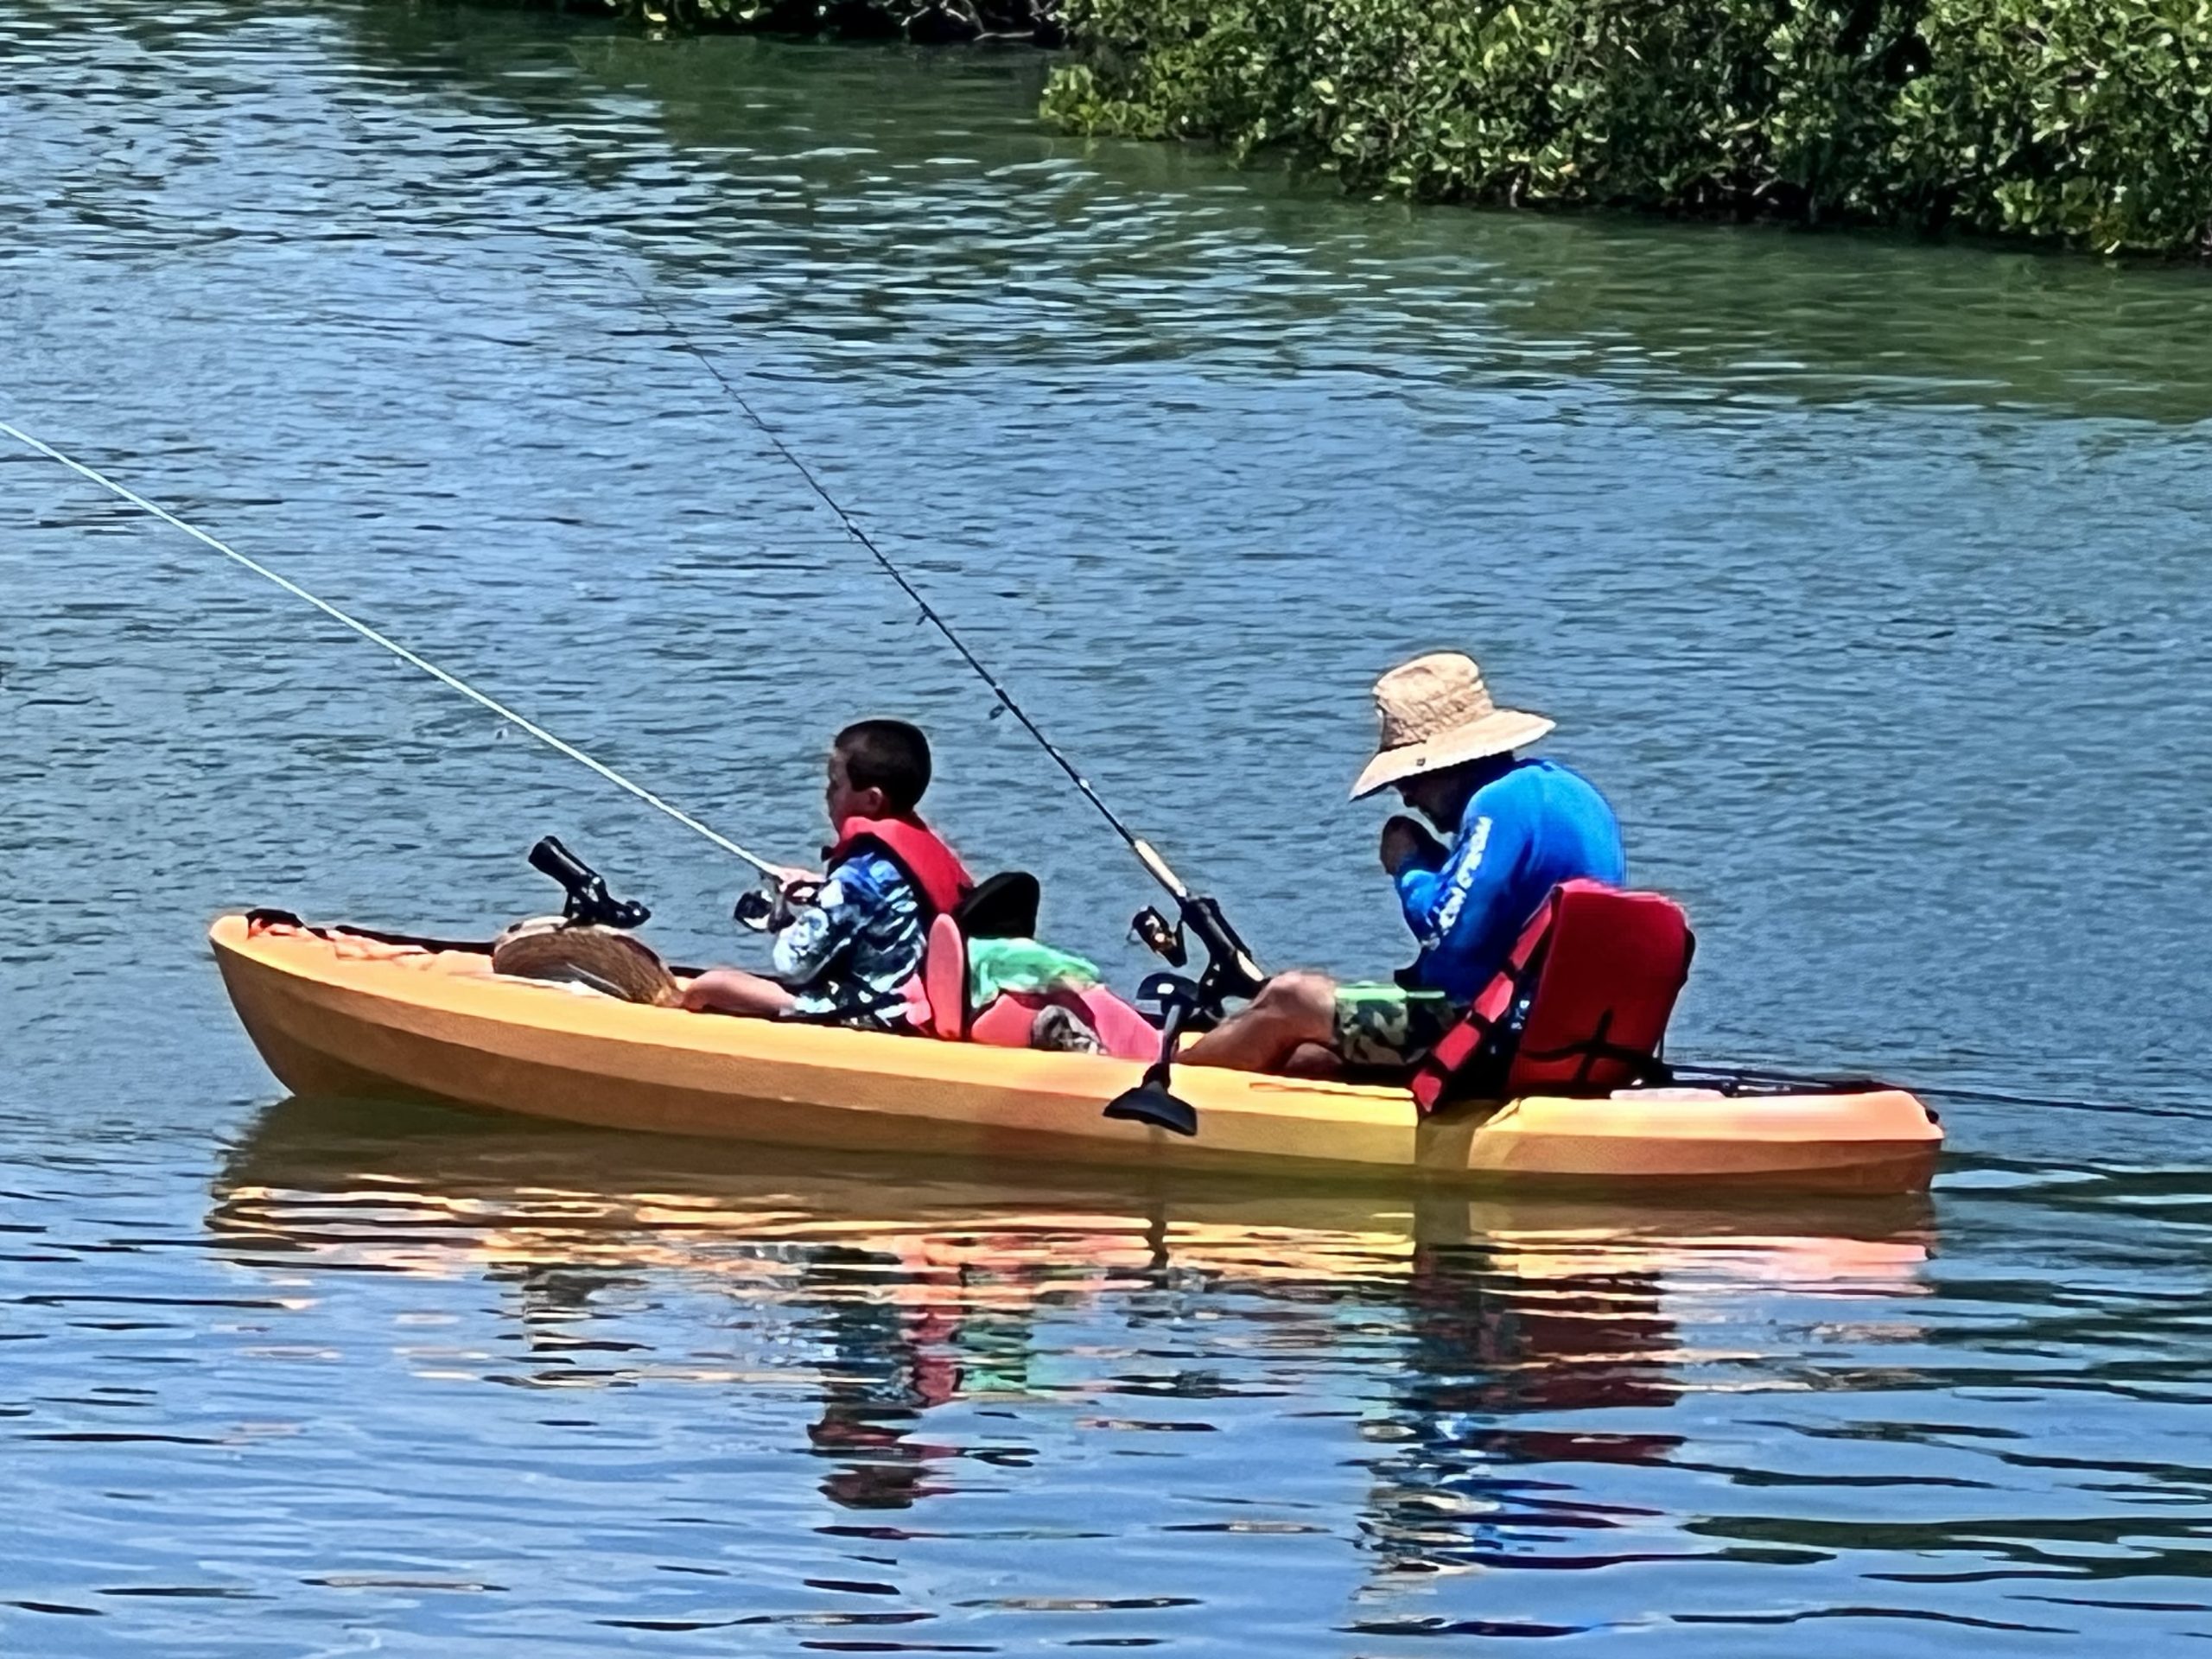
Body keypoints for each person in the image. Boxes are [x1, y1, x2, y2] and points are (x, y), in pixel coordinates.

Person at [1182, 651, 1624, 1075]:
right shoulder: (1568, 791)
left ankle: (1160, 1091)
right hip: (1561, 1030)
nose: (1408, 798)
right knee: (1308, 1055)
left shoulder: (1498, 803)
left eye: (1410, 780)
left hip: (1491, 1036)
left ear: (1453, 761)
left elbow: (1445, 931)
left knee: (1290, 997)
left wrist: (1408, 864)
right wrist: (1436, 860)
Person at [681, 719, 973, 1025]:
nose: (827, 794)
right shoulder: (914, 848)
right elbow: (884, 904)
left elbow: (793, 964)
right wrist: (823, 890)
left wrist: (782, 919)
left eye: (836, 784)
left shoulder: (860, 876)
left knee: (712, 985)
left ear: (872, 800)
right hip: (915, 997)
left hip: (877, 1012)